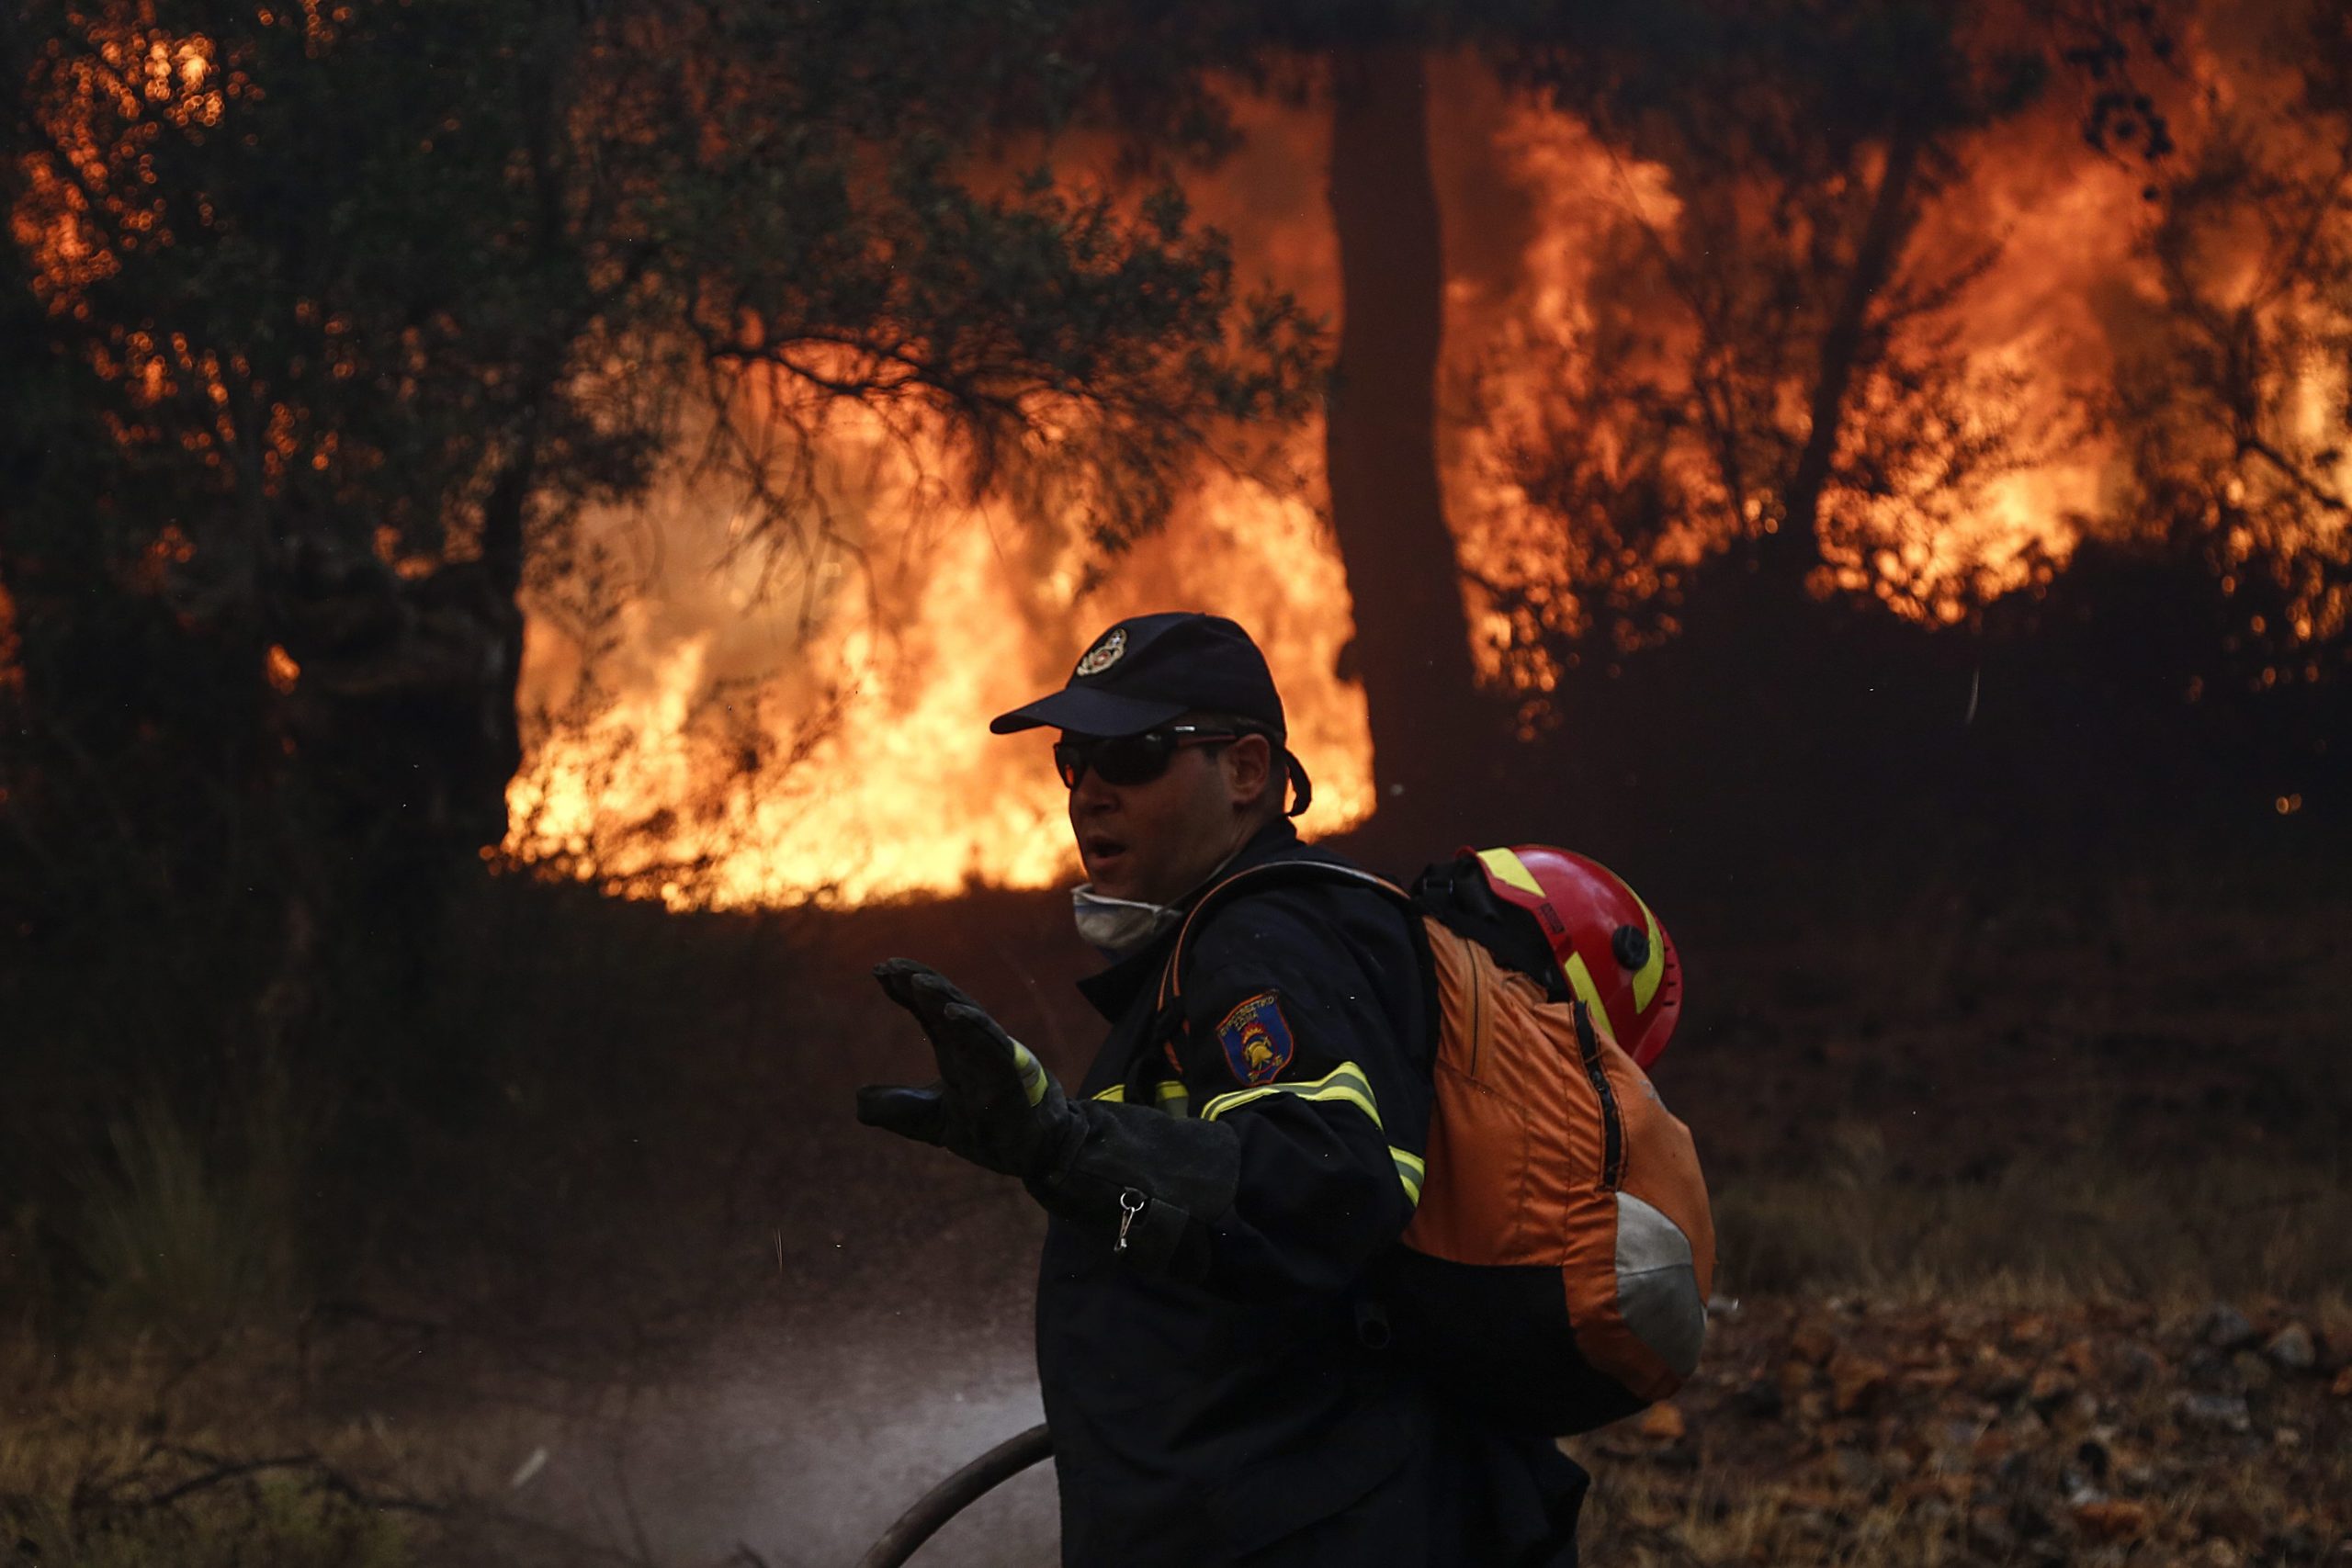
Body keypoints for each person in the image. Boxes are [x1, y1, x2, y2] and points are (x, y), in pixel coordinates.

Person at [856, 612, 1589, 1566]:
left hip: (1324, 1528)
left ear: (1246, 772)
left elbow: (1324, 1185)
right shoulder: (1225, 944)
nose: (1089, 792)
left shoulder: (1263, 938)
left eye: (1132, 752)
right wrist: (1061, 1156)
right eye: (1073, 759)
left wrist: (1064, 1145)